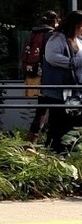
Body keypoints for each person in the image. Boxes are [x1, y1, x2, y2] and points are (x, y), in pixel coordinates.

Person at [39, 10, 82, 153]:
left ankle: (67, 149)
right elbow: (51, 56)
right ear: (76, 25)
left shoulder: (78, 40)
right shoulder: (57, 38)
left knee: (72, 120)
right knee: (58, 120)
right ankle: (54, 149)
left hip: (74, 88)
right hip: (59, 88)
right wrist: (72, 62)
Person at [25, 10, 60, 138]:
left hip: (34, 74)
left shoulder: (34, 33)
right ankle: (35, 139)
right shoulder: (50, 35)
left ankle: (32, 139)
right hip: (48, 76)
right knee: (47, 109)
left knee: (42, 108)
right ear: (55, 21)